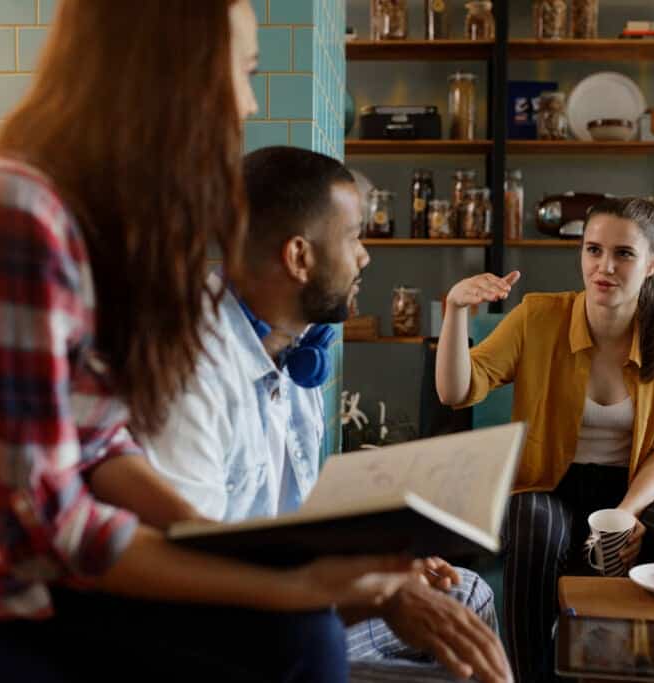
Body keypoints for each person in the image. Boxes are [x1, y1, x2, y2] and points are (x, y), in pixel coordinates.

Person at [0, 3, 422, 681]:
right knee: (299, 634)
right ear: (175, 76)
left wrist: (257, 559)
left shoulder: (99, 231)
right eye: (244, 71)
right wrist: (288, 585)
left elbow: (100, 444)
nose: (249, 103)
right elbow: (46, 525)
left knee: (298, 637)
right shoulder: (12, 212)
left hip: (28, 586)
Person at [141, 145, 511, 683]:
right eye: (354, 237)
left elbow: (290, 513)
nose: (365, 257)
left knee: (467, 592)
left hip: (292, 597)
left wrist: (387, 558)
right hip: (232, 629)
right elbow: (191, 576)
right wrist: (378, 590)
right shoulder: (192, 374)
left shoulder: (293, 344)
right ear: (299, 257)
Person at [436, 197, 654, 682]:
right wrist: (455, 311)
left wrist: (628, 514)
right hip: (548, 485)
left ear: (653, 264)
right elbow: (456, 391)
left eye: (624, 254)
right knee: (533, 527)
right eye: (593, 250)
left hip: (632, 489)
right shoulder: (538, 316)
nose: (604, 267)